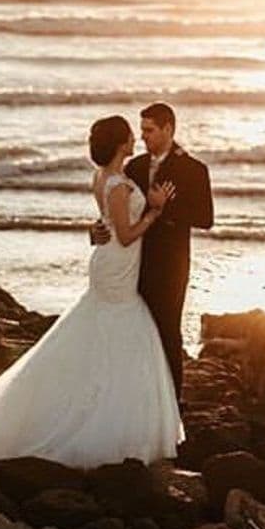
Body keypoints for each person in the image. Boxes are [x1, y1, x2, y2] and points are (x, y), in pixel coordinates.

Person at [0, 115, 182, 468]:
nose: (136, 140)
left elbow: (106, 224)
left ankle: (96, 397)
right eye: (132, 137)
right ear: (121, 144)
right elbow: (127, 234)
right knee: (123, 326)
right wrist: (156, 211)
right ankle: (108, 412)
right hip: (117, 265)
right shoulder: (117, 184)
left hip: (112, 262)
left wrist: (101, 229)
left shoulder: (102, 178)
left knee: (106, 327)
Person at [91, 102, 214, 407]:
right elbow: (114, 211)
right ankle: (138, 398)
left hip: (169, 266)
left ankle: (171, 403)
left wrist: (165, 207)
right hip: (130, 264)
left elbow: (205, 218)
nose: (143, 136)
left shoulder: (193, 169)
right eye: (141, 130)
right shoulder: (133, 166)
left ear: (168, 129)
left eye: (149, 130)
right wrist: (95, 230)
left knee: (168, 332)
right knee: (135, 332)